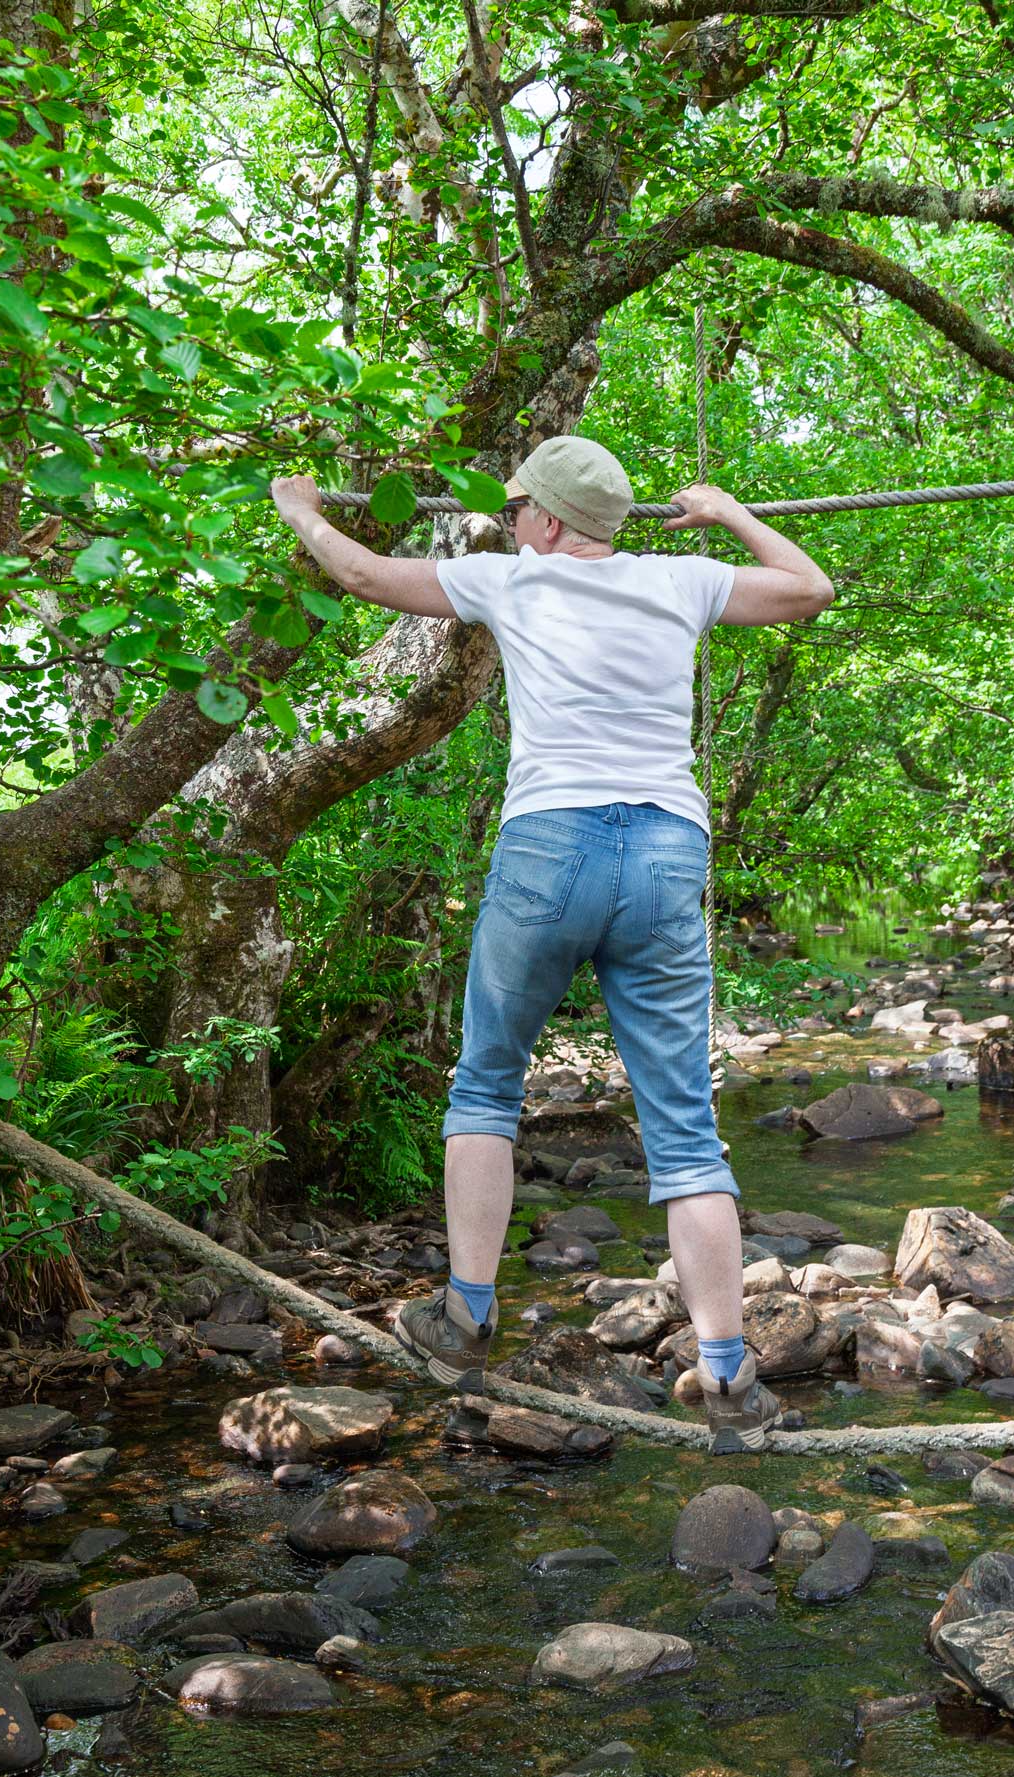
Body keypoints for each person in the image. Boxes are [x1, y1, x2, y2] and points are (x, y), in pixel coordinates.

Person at [270, 435, 833, 1448]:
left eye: (522, 503)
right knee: (684, 1128)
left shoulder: (510, 579)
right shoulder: (685, 580)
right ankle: (727, 1377)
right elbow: (808, 586)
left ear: (548, 521)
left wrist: (303, 507)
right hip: (665, 849)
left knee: (486, 1083)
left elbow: (356, 572)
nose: (513, 515)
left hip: (551, 843)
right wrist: (727, 509)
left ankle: (468, 1310)